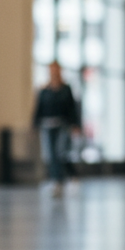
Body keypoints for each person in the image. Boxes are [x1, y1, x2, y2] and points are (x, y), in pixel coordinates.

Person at [32, 61, 81, 197]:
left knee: (60, 152)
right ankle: (55, 180)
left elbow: (72, 109)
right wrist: (35, 125)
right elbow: (38, 109)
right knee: (50, 154)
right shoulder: (44, 90)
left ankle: (59, 180)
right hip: (47, 126)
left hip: (62, 125)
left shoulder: (66, 89)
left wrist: (76, 125)